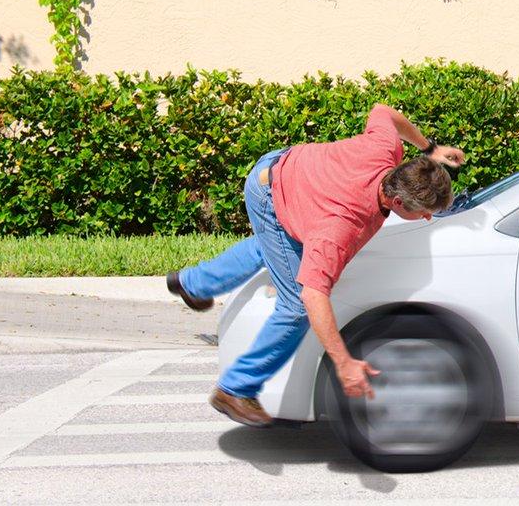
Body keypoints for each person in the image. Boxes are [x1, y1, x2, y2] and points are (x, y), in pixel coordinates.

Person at [166, 103, 465, 427]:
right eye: (423, 211)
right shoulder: (340, 227)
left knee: (272, 246)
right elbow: (312, 296)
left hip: (288, 169)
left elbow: (383, 112)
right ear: (396, 201)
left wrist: (430, 148)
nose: (427, 218)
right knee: (294, 304)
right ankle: (235, 388)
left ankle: (191, 283)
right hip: (271, 193)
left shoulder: (385, 150)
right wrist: (344, 363)